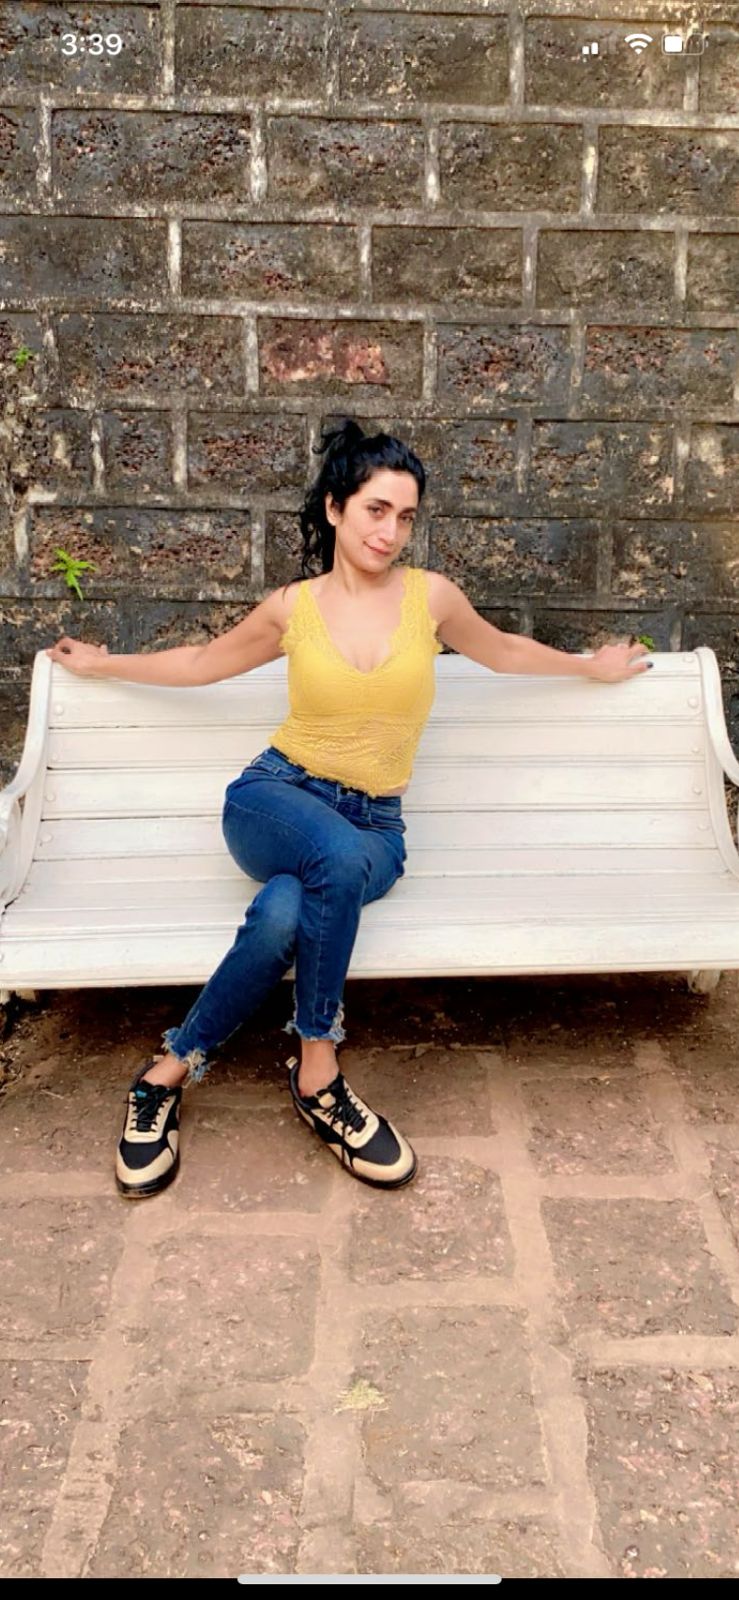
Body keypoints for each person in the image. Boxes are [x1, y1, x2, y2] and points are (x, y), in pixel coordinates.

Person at [45, 418, 652, 1200]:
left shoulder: (430, 599)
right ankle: (319, 1072)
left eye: (405, 516)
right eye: (375, 509)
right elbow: (200, 663)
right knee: (325, 859)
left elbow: (501, 650)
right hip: (274, 798)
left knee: (281, 913)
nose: (389, 531)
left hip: (375, 829)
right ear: (335, 508)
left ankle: (163, 1074)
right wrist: (105, 665)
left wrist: (588, 667)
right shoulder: (291, 609)